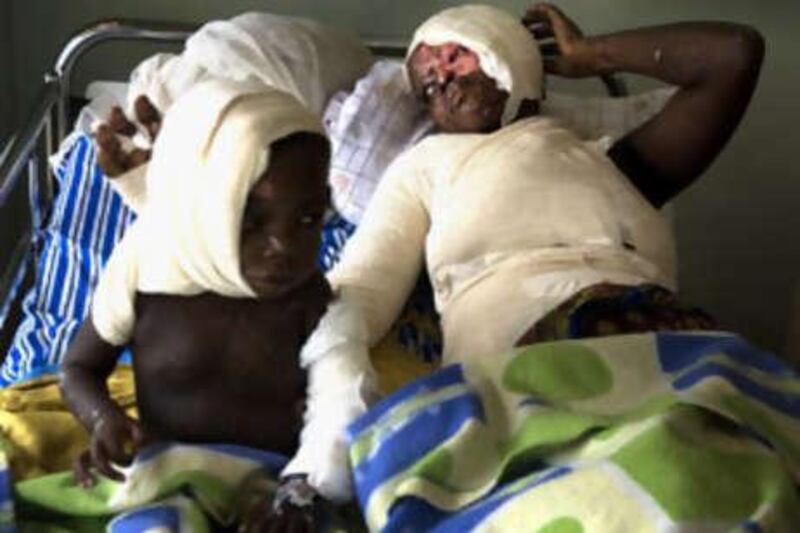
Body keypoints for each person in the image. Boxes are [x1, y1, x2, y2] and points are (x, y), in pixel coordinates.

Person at [328, 3, 764, 364]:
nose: (440, 78)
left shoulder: (613, 164)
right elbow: (365, 287)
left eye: (453, 55)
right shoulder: (426, 166)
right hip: (518, 371)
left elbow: (734, 55)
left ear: (505, 51)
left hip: (658, 346)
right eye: (426, 87)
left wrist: (592, 55)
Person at [59, 81, 373, 531]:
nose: (283, 246)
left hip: (273, 487)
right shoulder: (145, 266)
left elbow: (342, 404)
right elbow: (78, 369)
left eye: (308, 220)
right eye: (252, 221)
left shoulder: (311, 302)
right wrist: (103, 420)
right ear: (206, 207)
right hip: (167, 478)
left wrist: (301, 491)